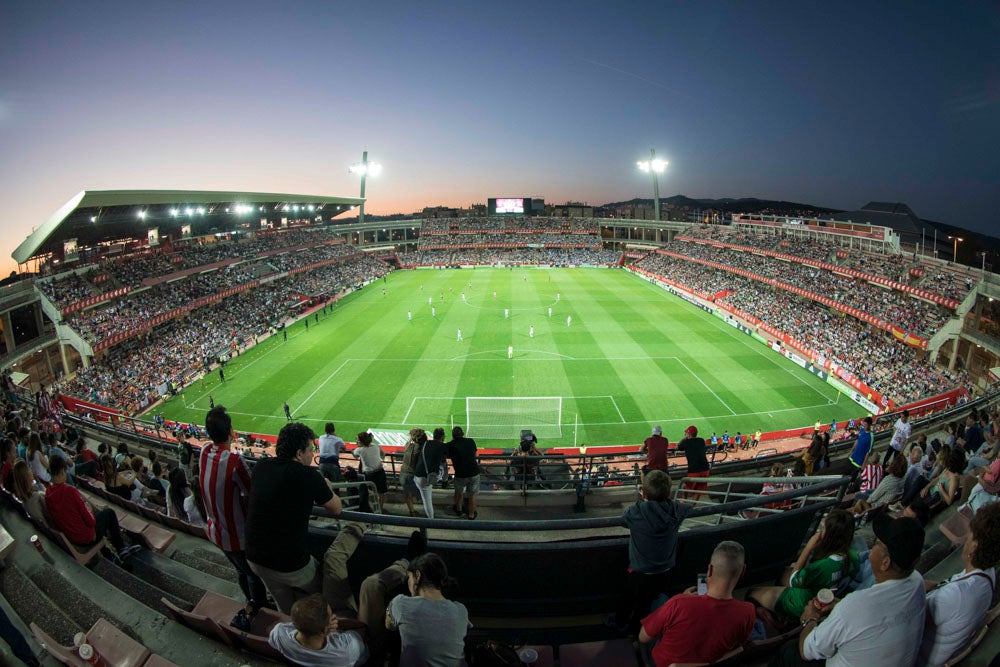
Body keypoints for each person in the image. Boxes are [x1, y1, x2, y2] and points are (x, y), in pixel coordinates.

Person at [771, 514, 926, 667]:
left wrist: (809, 619)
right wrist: (842, 603)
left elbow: (807, 650)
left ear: (885, 563)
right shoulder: (917, 582)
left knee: (789, 651)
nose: (872, 546)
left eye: (877, 543)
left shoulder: (855, 606)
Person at [245, 422, 343, 614]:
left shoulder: (261, 466)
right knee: (322, 594)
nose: (313, 454)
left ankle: (292, 631)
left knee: (287, 609)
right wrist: (327, 487)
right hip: (290, 563)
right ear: (299, 454)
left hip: (255, 558)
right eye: (310, 449)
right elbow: (336, 508)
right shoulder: (307, 474)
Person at [200, 405, 270, 627]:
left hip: (215, 531)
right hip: (236, 534)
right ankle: (260, 609)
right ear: (231, 431)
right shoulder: (233, 461)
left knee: (240, 570)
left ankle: (251, 599)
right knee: (252, 573)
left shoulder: (203, 452)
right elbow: (252, 491)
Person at [639, 541, 755, 667]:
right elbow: (740, 644)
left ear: (709, 570)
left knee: (660, 599)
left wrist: (682, 598)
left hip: (660, 663)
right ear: (743, 571)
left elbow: (643, 638)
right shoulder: (748, 612)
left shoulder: (678, 603)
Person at [609, 470, 692, 633]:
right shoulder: (677, 511)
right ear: (669, 492)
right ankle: (636, 630)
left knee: (628, 599)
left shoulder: (635, 512)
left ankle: (621, 624)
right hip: (665, 571)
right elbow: (687, 508)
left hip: (640, 572)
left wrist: (642, 500)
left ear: (643, 493)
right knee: (645, 604)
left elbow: (626, 517)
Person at [919, 502, 1000, 666]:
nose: (964, 540)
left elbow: (911, 615)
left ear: (974, 547)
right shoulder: (987, 574)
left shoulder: (958, 594)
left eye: (968, 536)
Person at [748, 509, 859, 622]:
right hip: (826, 593)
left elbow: (793, 580)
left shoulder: (824, 566)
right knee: (784, 572)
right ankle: (780, 612)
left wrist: (808, 548)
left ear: (829, 536)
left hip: (807, 603)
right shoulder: (854, 555)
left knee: (752, 593)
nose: (819, 533)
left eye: (822, 529)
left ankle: (779, 621)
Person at [44, 456, 141, 562]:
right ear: (63, 471)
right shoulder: (69, 491)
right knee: (109, 513)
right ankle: (121, 548)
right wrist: (89, 508)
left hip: (72, 537)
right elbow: (91, 521)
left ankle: (110, 555)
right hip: (85, 536)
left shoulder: (48, 494)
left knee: (100, 517)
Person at [386, 553, 470, 667]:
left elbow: (389, 626)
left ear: (417, 575)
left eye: (409, 577)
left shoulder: (402, 603)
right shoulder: (461, 610)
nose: (408, 583)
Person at [267, 592, 368, 667]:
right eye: (331, 616)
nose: (334, 616)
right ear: (325, 630)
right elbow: (361, 627)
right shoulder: (347, 650)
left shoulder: (278, 633)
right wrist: (339, 623)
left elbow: (272, 640)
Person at [414, 428, 447, 519]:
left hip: (417, 475)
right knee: (427, 501)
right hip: (424, 478)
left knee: (426, 497)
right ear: (442, 437)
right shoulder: (442, 446)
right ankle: (431, 520)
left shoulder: (426, 443)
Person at [447, 426, 479, 519]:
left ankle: (459, 510)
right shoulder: (471, 441)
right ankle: (471, 515)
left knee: (458, 492)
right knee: (472, 495)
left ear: (453, 436)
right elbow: (474, 454)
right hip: (474, 472)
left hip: (460, 474)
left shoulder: (450, 444)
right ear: (463, 434)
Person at [678, 425, 710, 501]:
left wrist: (684, 438)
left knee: (685, 487)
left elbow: (678, 447)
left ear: (689, 434)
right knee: (699, 490)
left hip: (694, 470)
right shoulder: (701, 440)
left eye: (686, 433)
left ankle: (684, 502)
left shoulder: (686, 442)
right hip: (705, 469)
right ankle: (693, 505)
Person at [398, 429, 425, 517]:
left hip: (404, 473)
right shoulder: (422, 448)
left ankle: (412, 512)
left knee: (407, 494)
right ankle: (427, 513)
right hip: (414, 475)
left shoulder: (408, 445)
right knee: (422, 494)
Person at [353, 431, 387, 501]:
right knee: (381, 492)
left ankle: (375, 508)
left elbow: (355, 455)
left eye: (357, 440)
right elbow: (383, 456)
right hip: (380, 472)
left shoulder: (359, 450)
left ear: (361, 441)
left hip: (369, 475)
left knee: (371, 492)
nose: (356, 441)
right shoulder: (376, 445)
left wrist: (353, 449)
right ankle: (380, 509)